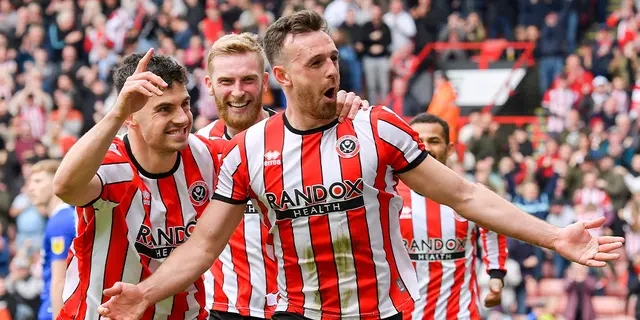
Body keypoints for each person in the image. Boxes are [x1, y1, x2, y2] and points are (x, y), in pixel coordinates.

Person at [98, 10, 624, 320]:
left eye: (333, 57)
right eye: (316, 63)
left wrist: (554, 236)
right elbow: (205, 244)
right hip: (296, 313)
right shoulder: (247, 152)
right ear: (283, 75)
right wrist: (145, 292)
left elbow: (464, 195)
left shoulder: (377, 127)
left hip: (383, 312)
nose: (333, 68)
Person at [196, 33, 368, 320]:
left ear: (266, 82)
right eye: (226, 81)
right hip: (227, 309)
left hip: (303, 308)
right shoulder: (195, 151)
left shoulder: (303, 137)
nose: (238, 92)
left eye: (248, 80)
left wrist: (346, 106)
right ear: (209, 85)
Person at [53, 49, 220, 319]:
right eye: (164, 109)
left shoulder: (208, 157)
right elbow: (64, 188)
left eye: (185, 104)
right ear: (131, 117)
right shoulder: (109, 167)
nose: (182, 118)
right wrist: (116, 113)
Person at [396, 113, 507, 320]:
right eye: (419, 141)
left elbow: (493, 230)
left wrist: (496, 275)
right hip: (405, 314)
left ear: (450, 149)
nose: (426, 147)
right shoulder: (391, 196)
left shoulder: (468, 195)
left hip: (460, 314)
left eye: (434, 141)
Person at [26, 159, 76, 320]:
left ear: (56, 182)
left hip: (54, 309)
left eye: (38, 181)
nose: (31, 188)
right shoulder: (65, 216)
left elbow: (59, 280)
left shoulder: (59, 222)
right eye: (30, 182)